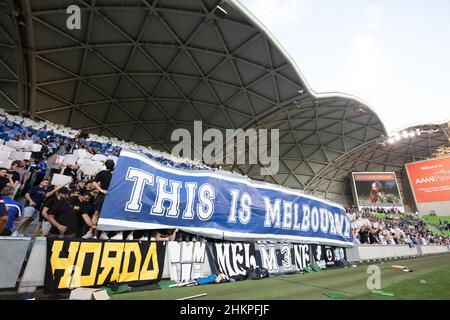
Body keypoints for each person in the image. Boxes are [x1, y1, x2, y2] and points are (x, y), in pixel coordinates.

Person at [83, 159, 114, 239]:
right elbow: (94, 182)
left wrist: (100, 190)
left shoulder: (112, 174)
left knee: (99, 215)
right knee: (98, 214)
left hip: (107, 196)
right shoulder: (104, 173)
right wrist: (101, 190)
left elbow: (94, 182)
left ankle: (99, 233)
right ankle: (92, 232)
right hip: (104, 196)